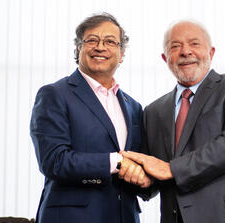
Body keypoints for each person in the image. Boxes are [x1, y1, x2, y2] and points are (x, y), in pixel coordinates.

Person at [122, 20, 225, 223]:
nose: (185, 51)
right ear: (165, 58)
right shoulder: (153, 111)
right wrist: (140, 178)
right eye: (175, 46)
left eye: (194, 44)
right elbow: (155, 171)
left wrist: (171, 169)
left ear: (211, 52)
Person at [30, 13, 151, 223]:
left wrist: (145, 178)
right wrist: (118, 162)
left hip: (125, 216)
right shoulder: (54, 95)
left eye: (110, 42)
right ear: (79, 49)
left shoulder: (133, 107)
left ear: (121, 53)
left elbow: (138, 162)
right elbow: (54, 161)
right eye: (92, 40)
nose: (100, 47)